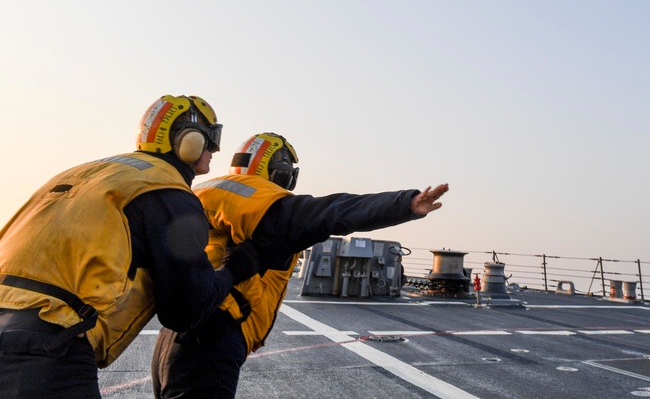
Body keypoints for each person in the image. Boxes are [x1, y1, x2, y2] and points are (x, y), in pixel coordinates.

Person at [151, 131, 449, 399]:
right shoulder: (272, 211)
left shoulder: (207, 192)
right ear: (279, 173)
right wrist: (407, 204)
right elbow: (337, 212)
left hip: (173, 337)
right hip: (211, 343)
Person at [0, 95, 261, 399]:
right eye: (211, 139)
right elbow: (185, 310)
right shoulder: (168, 191)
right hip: (49, 348)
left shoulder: (87, 173)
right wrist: (233, 269)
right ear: (189, 140)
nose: (214, 150)